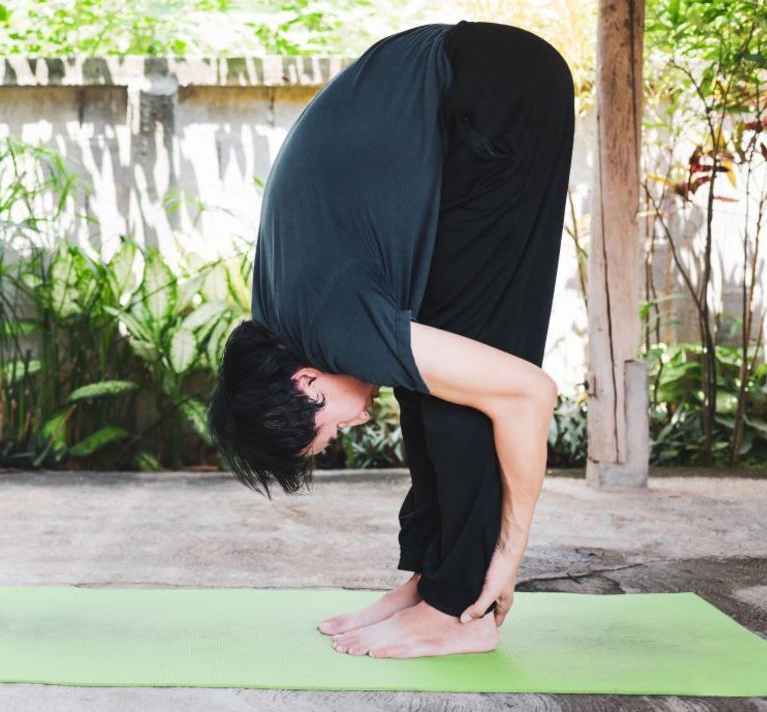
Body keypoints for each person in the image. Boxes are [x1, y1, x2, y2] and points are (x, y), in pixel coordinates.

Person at [207, 19, 576, 659]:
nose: (356, 424)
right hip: (465, 91)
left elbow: (529, 394)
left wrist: (510, 554)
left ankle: (463, 611)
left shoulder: (332, 325)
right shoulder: (282, 318)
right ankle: (432, 582)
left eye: (334, 431)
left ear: (305, 383)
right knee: (426, 378)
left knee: (465, 394)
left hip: (495, 96)